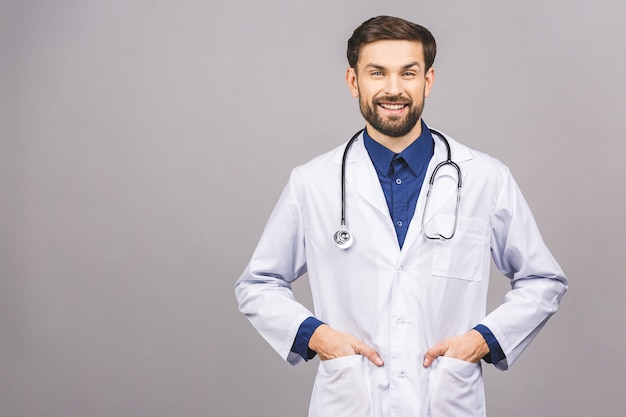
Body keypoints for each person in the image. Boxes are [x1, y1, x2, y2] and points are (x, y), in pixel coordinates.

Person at [235, 15, 567, 417]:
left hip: (445, 398)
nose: (393, 89)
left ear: (427, 81)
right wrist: (318, 337)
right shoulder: (313, 182)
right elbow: (258, 284)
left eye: (408, 73)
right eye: (377, 73)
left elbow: (542, 280)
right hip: (352, 398)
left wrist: (482, 341)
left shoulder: (484, 177)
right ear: (353, 81)